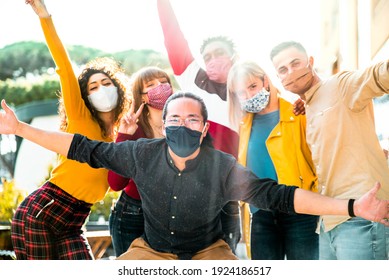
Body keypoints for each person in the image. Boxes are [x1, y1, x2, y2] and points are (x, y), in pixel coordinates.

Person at [1, 93, 388, 260]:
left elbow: (282, 196)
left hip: (209, 251)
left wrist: (353, 206)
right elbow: (81, 147)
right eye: (174, 120)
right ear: (164, 125)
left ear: (204, 129)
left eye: (191, 120)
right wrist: (20, 130)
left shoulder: (222, 167)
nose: (182, 126)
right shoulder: (140, 153)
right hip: (150, 250)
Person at [12, 0, 129, 259]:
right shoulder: (80, 116)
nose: (100, 89)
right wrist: (45, 17)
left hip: (75, 222)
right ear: (85, 96)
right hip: (41, 213)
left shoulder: (121, 137)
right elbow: (64, 66)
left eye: (106, 83)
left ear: (118, 88)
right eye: (93, 87)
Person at [270, 41, 389, 260]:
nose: (291, 72)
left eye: (296, 63)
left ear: (311, 62)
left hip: (363, 218)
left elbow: (378, 75)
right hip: (329, 221)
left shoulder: (341, 86)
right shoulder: (308, 106)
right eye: (283, 70)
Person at [157, 0, 241, 252]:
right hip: (193, 190)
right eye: (207, 57)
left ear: (235, 57)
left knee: (225, 257)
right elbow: (172, 34)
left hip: (230, 196)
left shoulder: (252, 91)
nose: (213, 60)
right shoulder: (194, 79)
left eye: (219, 54)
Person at [226, 60, 318, 260]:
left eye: (253, 86)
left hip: (300, 209)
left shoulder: (298, 113)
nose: (250, 95)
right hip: (260, 213)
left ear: (265, 81)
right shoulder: (241, 125)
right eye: (242, 92)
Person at [108, 66, 172, 257]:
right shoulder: (134, 130)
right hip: (132, 215)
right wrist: (124, 137)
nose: (160, 87)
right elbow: (115, 183)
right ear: (143, 96)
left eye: (163, 81)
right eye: (151, 85)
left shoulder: (183, 123)